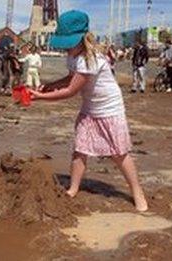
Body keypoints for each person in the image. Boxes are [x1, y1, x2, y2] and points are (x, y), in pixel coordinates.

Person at [29, 10, 148, 212]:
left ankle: (137, 193)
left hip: (109, 110)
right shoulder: (73, 57)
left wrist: (40, 97)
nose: (66, 48)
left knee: (119, 154)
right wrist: (48, 85)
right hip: (89, 110)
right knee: (80, 150)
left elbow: (70, 91)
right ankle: (73, 189)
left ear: (81, 39)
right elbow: (70, 79)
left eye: (69, 43)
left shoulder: (90, 59)